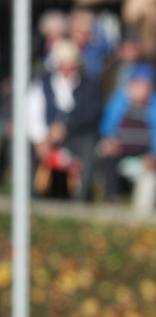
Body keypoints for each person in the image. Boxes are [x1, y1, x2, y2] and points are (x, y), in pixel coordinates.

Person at [26, 40, 102, 201]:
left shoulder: (88, 86)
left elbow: (91, 114)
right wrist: (42, 137)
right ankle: (32, 195)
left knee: (88, 146)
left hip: (76, 137)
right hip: (46, 137)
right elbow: (33, 113)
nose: (67, 69)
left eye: (71, 64)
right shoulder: (42, 83)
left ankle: (80, 197)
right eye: (63, 64)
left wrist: (66, 127)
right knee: (27, 147)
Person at [98, 63, 156, 206]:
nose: (140, 88)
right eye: (137, 83)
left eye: (144, 84)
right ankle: (111, 198)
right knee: (107, 154)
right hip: (122, 147)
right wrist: (110, 140)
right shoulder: (120, 99)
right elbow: (107, 125)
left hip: (148, 150)